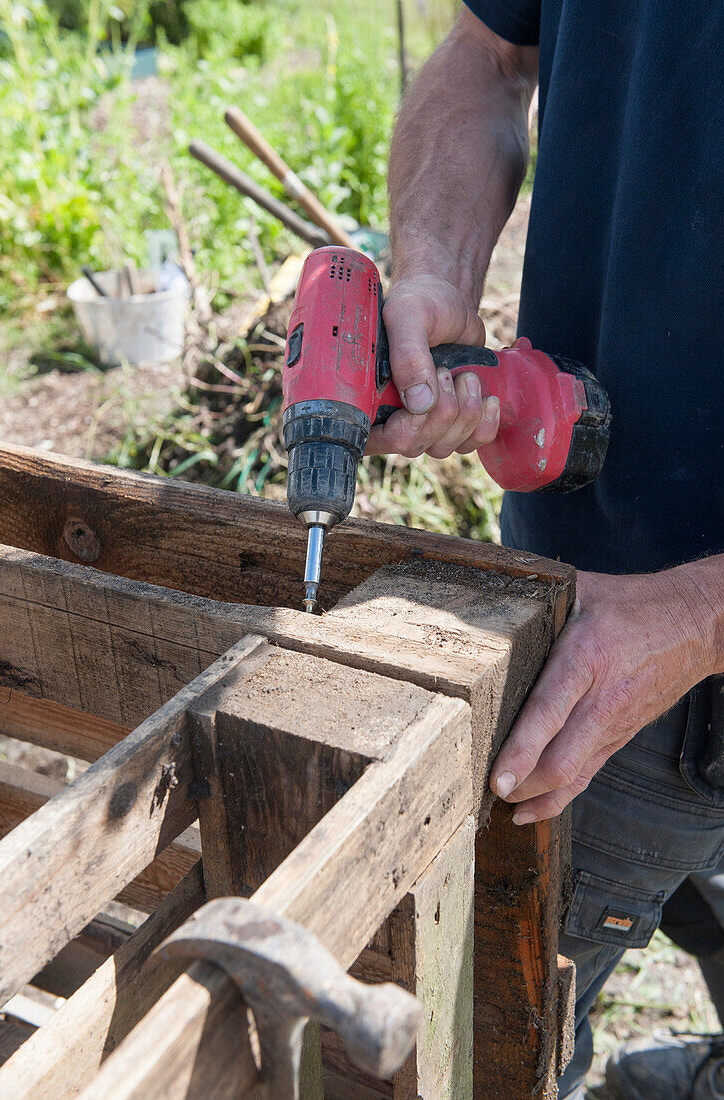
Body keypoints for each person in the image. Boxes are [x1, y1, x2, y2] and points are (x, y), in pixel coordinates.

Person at [368, 3, 724, 1097]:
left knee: (471, 1051)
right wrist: (431, 262)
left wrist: (700, 612)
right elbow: (486, 55)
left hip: (674, 639)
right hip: (577, 599)